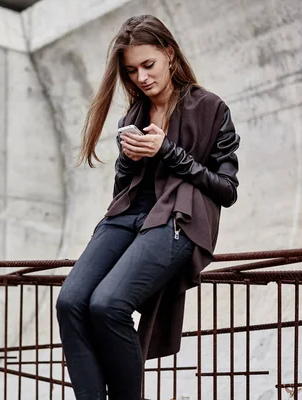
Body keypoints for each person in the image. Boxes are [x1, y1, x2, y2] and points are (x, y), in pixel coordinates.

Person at [55, 14, 240, 400]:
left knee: (108, 305)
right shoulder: (132, 116)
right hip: (126, 218)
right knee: (71, 301)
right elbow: (123, 189)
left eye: (148, 65)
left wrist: (167, 151)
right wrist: (128, 158)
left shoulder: (210, 108)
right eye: (131, 70)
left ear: (169, 54)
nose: (140, 77)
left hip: (176, 222)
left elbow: (226, 189)